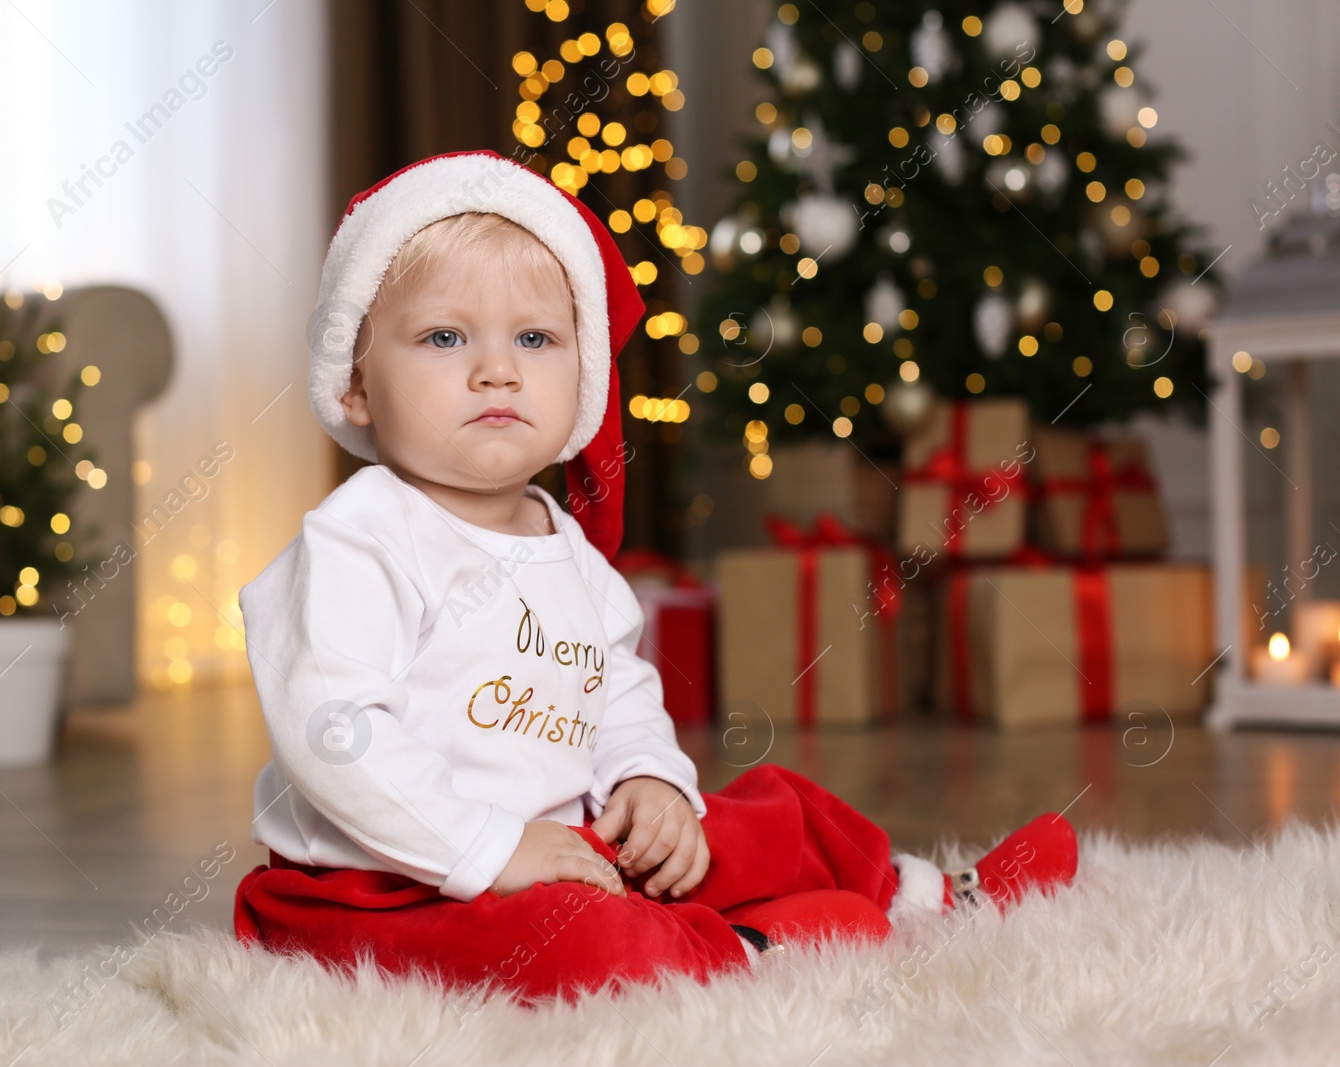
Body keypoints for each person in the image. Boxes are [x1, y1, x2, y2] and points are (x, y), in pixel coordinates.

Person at [232, 149, 1077, 1004]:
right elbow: (332, 734)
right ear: (356, 386)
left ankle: (924, 896)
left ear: (583, 378)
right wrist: (491, 846)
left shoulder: (570, 551)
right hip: (383, 885)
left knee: (765, 815)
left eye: (535, 338)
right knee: (576, 947)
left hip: (567, 844)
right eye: (444, 337)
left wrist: (648, 780)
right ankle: (749, 950)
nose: (498, 369)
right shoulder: (356, 540)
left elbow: (618, 695)